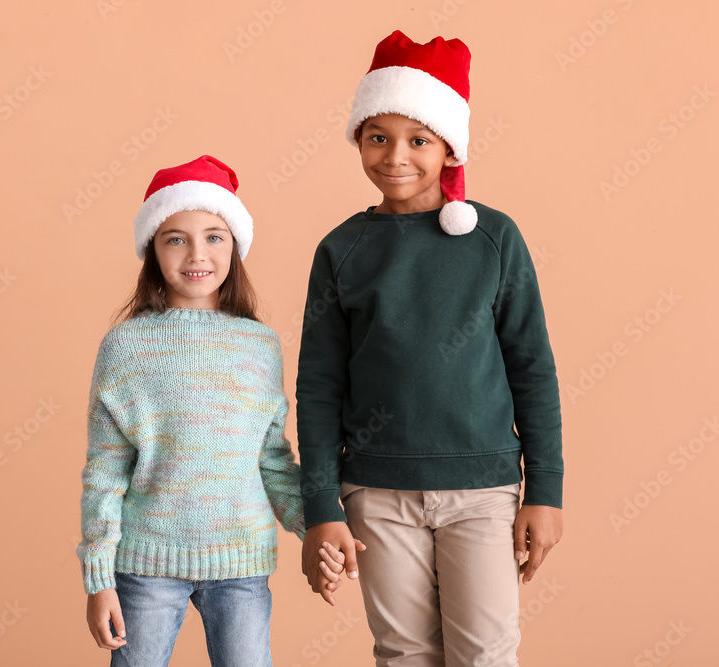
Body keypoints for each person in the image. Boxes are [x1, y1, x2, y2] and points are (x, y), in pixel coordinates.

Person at [296, 30, 565, 666]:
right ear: (359, 140)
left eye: (418, 139)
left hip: (483, 490)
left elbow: (533, 368)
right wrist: (320, 506)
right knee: (404, 653)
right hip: (377, 493)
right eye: (377, 136)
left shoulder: (495, 239)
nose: (396, 156)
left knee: (485, 654)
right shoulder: (342, 250)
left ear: (449, 148)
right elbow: (318, 386)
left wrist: (545, 492)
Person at [77, 155, 309, 667]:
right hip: (145, 567)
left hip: (242, 566)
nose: (196, 253)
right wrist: (99, 578)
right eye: (175, 238)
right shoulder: (126, 346)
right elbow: (106, 470)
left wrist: (315, 526)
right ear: (153, 252)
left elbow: (271, 457)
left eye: (214, 236)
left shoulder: (260, 345)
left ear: (235, 247)